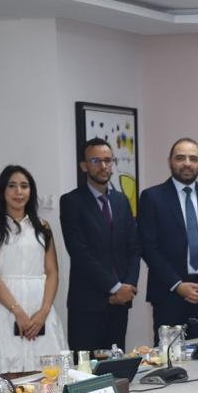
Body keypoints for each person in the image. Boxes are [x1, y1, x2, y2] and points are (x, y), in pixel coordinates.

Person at [0, 165, 67, 374]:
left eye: (24, 186)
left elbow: (52, 272)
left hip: (40, 307)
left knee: (46, 375)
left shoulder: (42, 226)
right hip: (5, 308)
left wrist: (44, 311)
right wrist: (18, 312)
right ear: (2, 191)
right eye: (12, 186)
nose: (18, 192)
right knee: (10, 375)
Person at [138, 138, 198, 339]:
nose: (187, 163)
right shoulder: (152, 197)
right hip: (169, 293)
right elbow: (148, 247)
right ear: (170, 161)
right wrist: (177, 285)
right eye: (180, 158)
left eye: (193, 159)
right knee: (171, 354)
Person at [59, 139, 141, 352]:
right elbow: (79, 253)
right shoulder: (71, 202)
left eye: (108, 160)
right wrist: (114, 287)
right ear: (84, 166)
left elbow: (134, 248)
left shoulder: (122, 201)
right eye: (96, 161)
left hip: (120, 304)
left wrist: (128, 287)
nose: (103, 166)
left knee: (117, 365)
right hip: (88, 304)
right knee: (86, 368)